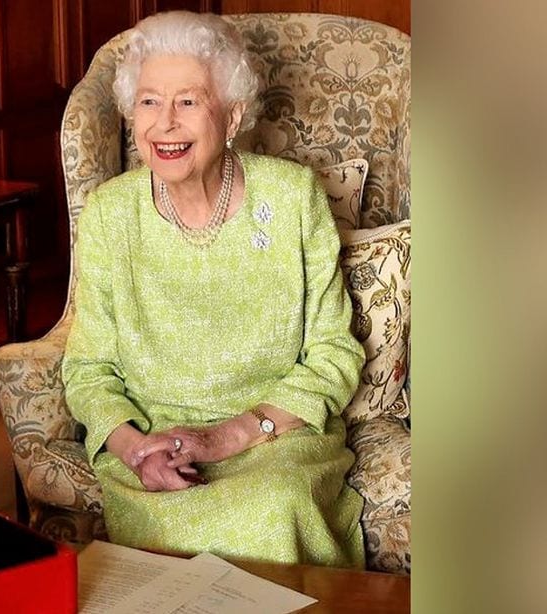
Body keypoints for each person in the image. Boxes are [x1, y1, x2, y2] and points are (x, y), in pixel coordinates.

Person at [61, 11, 366, 568]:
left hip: (275, 438)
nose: (165, 124)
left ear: (232, 116)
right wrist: (135, 451)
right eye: (149, 102)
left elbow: (333, 354)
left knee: (275, 509)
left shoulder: (294, 198)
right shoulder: (109, 214)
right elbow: (88, 370)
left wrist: (225, 438)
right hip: (154, 450)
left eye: (189, 101)